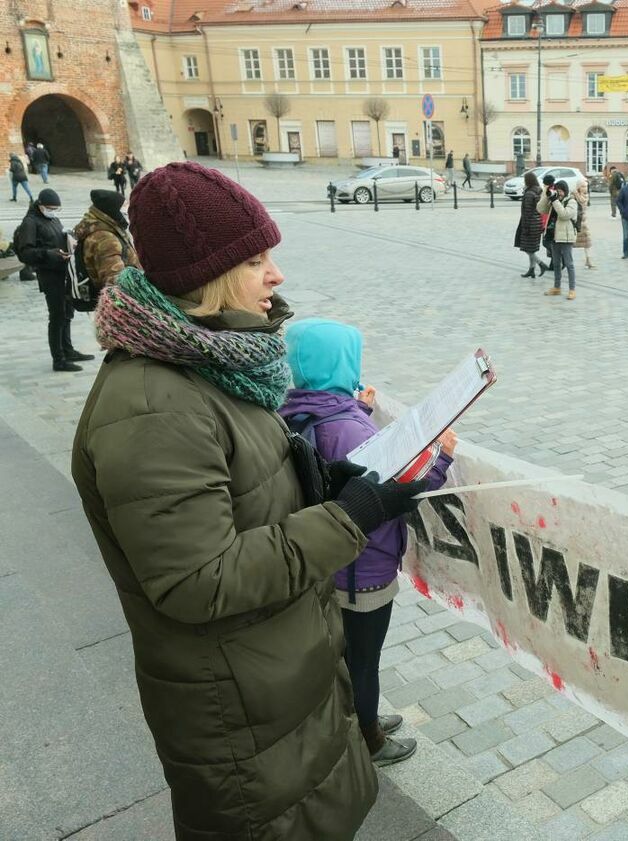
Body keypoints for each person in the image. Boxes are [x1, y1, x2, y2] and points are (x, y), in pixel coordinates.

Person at [70, 162, 407, 838]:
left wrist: (324, 487)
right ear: (207, 275)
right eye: (255, 258)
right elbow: (199, 577)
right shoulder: (152, 405)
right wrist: (350, 519)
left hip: (273, 680)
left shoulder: (216, 362)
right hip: (240, 711)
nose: (275, 274)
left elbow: (243, 493)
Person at [280, 318, 455, 768]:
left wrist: (360, 408)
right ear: (344, 362)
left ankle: (357, 713)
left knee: (344, 650)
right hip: (365, 566)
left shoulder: (300, 408)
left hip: (331, 561)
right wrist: (443, 456)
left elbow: (347, 453)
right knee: (364, 657)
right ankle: (369, 736)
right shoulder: (348, 428)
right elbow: (394, 488)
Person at [14, 188, 95, 372]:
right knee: (57, 316)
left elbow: (57, 238)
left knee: (68, 313)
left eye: (56, 209)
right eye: (50, 208)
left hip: (63, 272)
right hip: (49, 275)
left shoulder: (52, 219)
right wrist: (50, 254)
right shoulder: (30, 222)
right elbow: (26, 253)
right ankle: (58, 359)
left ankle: (68, 350)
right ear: (41, 205)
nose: (53, 211)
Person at [73, 189, 141, 288]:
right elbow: (115, 280)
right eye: (124, 206)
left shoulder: (105, 227)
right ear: (112, 210)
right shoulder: (105, 238)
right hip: (122, 297)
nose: (127, 209)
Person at [540, 179, 578, 299]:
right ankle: (557, 287)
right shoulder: (554, 200)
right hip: (554, 235)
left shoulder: (571, 201)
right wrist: (546, 195)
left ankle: (572, 290)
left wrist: (555, 201)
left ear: (565, 191)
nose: (559, 193)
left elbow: (564, 215)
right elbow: (541, 209)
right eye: (557, 190)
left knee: (569, 263)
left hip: (566, 237)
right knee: (556, 264)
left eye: (561, 191)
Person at [515, 171, 544, 278]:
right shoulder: (538, 191)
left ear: (528, 181)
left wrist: (525, 228)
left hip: (530, 224)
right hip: (538, 223)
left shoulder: (529, 194)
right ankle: (531, 269)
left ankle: (541, 264)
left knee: (527, 248)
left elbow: (527, 213)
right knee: (531, 248)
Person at [574, 181, 595, 269]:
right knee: (570, 243)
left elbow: (583, 202)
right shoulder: (573, 196)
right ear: (578, 187)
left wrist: (576, 194)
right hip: (575, 223)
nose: (584, 188)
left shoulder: (585, 196)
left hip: (583, 223)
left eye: (586, 186)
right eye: (582, 186)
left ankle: (589, 260)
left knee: (587, 243)